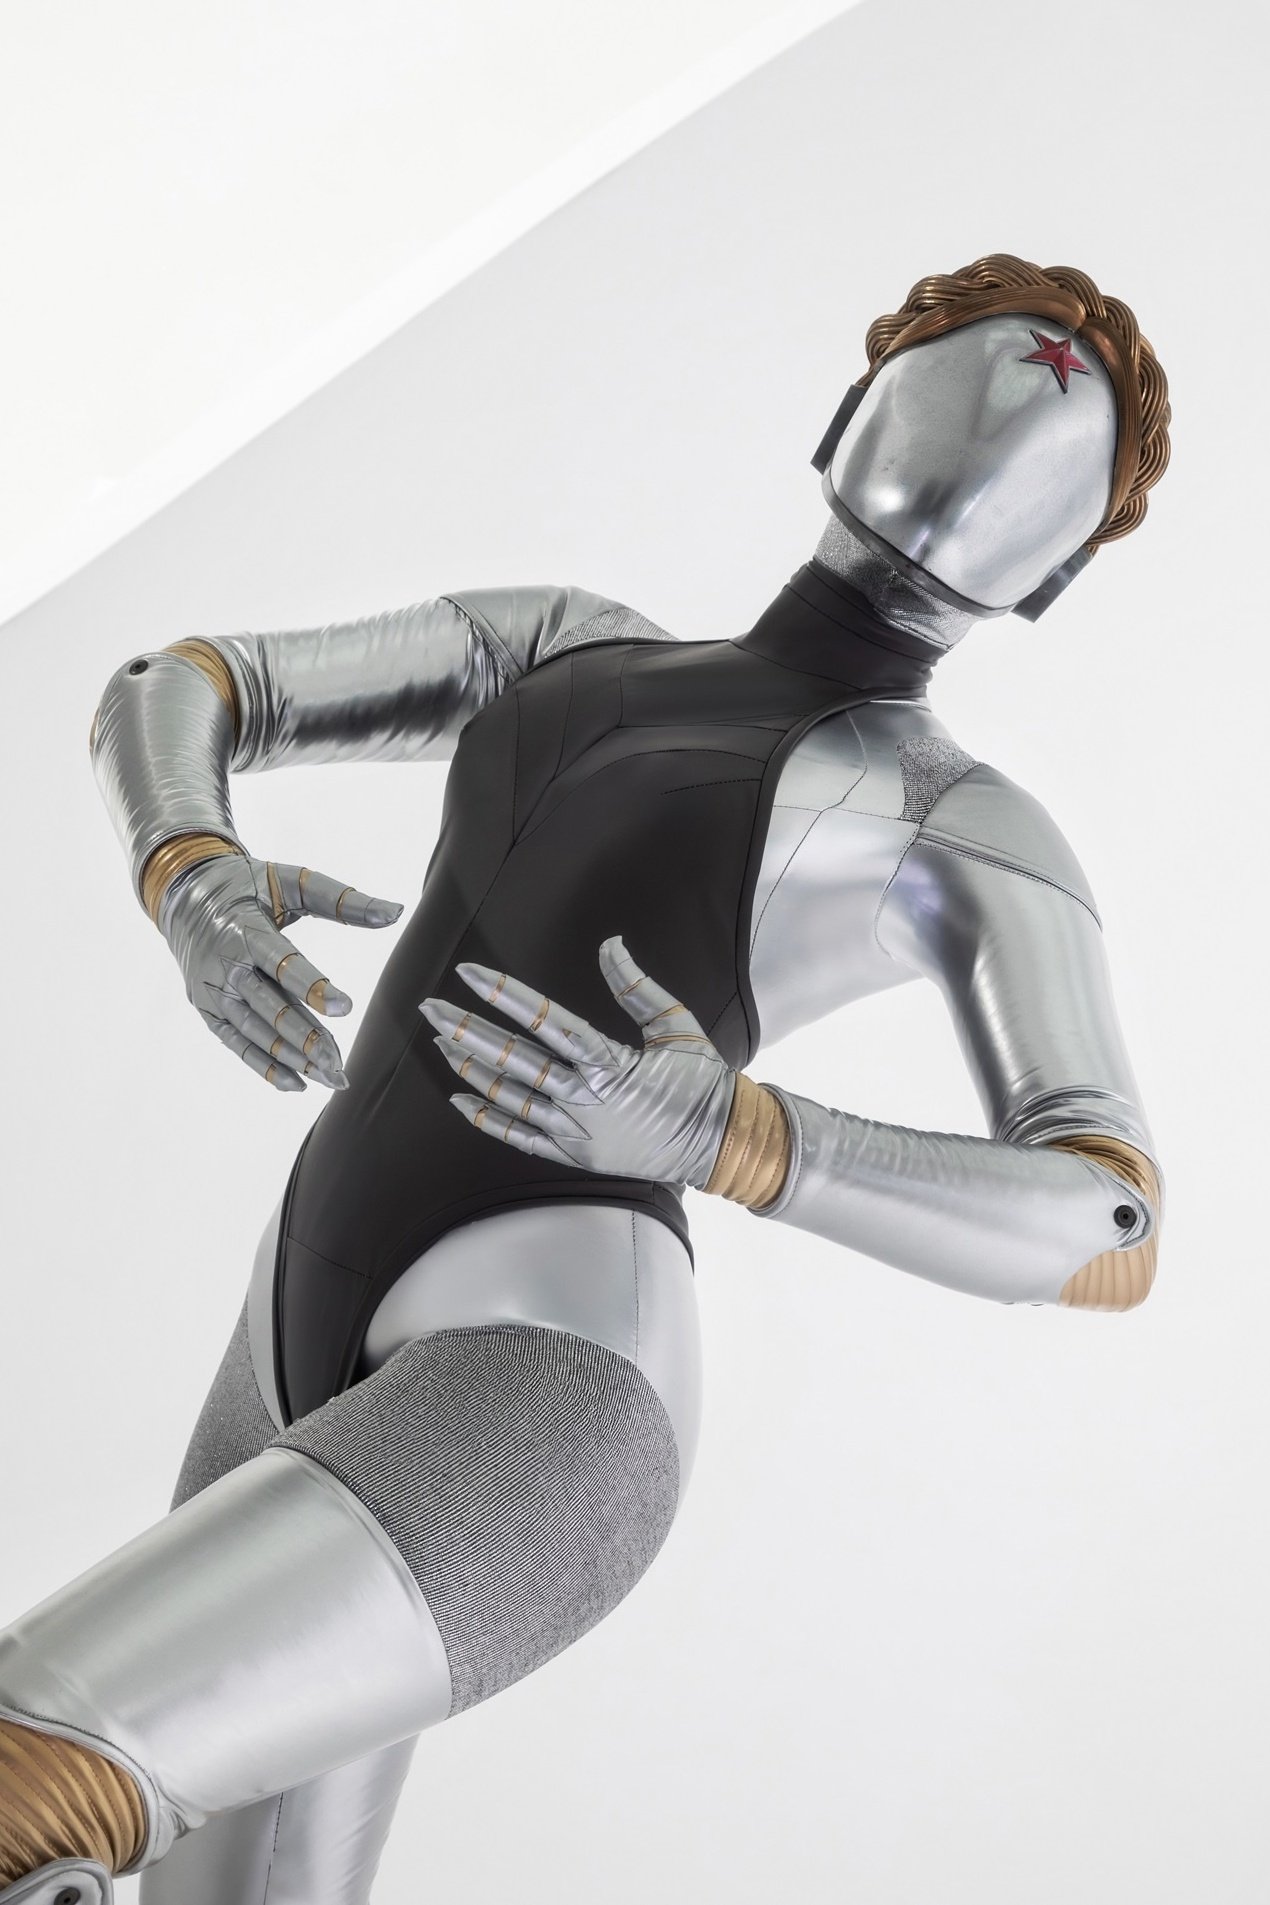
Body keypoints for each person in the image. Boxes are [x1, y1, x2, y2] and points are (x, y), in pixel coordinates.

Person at [0, 252, 1170, 1905]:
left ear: (1050, 580)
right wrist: (187, 868)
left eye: (1073, 394)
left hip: (546, 1384)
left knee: (32, 1768)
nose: (1037, 375)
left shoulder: (960, 822)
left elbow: (1109, 1220)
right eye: (1002, 348)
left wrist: (738, 1136)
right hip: (291, 1332)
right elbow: (178, 686)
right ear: (848, 408)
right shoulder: (562, 645)